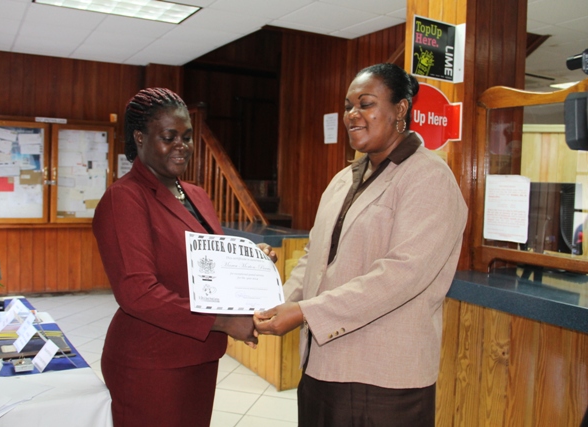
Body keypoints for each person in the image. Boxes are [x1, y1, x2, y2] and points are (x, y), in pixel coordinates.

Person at [254, 63, 468, 426]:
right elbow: (315, 256)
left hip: (384, 381)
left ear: (400, 109)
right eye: (348, 105)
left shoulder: (429, 178)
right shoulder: (344, 179)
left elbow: (400, 275)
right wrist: (279, 304)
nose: (352, 115)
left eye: (365, 104)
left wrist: (307, 312)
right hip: (322, 368)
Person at [92, 87, 273, 427]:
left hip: (200, 354)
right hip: (151, 361)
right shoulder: (124, 199)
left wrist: (251, 260)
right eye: (169, 136)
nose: (182, 146)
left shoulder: (197, 195)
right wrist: (223, 322)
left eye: (187, 137)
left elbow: (208, 264)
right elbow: (137, 292)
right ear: (140, 137)